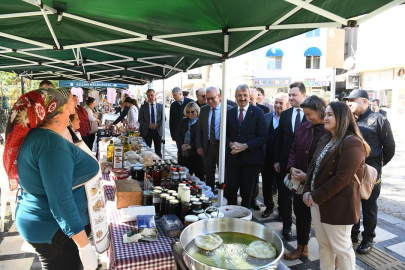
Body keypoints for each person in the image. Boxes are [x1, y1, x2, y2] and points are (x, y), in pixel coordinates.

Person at [4, 88, 98, 270]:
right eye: (67, 106)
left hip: (47, 225)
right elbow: (61, 200)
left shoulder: (42, 137)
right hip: (54, 230)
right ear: (56, 114)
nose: (72, 110)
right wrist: (84, 245)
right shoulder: (51, 145)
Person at [303, 101, 370, 269]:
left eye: (330, 114)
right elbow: (313, 166)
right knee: (324, 245)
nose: (325, 118)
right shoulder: (327, 138)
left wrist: (314, 196)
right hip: (318, 201)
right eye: (325, 114)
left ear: (341, 117)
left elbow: (342, 178)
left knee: (342, 249)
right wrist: (307, 190)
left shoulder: (352, 142)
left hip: (338, 205)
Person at [343, 89, 395, 254]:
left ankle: (368, 239)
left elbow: (389, 147)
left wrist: (376, 166)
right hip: (352, 170)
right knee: (352, 203)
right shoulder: (349, 120)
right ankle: (353, 234)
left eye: (353, 100)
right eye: (348, 100)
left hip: (370, 171)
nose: (349, 103)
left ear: (364, 101)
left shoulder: (379, 120)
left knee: (369, 206)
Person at [284, 96, 327, 260]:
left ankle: (332, 254)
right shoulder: (304, 126)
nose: (307, 117)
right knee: (301, 216)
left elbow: (330, 163)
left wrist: (307, 176)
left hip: (321, 185)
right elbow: (294, 149)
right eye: (305, 114)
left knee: (323, 222)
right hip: (300, 183)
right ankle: (302, 248)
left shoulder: (329, 130)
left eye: (309, 114)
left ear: (320, 110)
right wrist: (292, 167)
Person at [274, 82, 307, 240]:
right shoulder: (286, 114)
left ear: (303, 95)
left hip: (305, 164)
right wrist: (277, 161)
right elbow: (279, 139)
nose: (291, 97)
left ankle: (303, 233)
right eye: (290, 95)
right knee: (284, 196)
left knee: (301, 200)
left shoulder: (311, 113)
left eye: (294, 95)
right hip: (286, 163)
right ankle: (287, 226)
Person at [226, 84, 268, 208]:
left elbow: (264, 136)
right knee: (231, 191)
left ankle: (244, 219)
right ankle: (231, 217)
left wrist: (245, 146)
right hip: (233, 159)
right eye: (240, 95)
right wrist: (230, 144)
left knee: (247, 193)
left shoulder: (258, 112)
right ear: (235, 97)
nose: (242, 98)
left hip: (251, 160)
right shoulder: (229, 112)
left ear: (250, 97)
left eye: (245, 95)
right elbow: (224, 134)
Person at [196, 87, 232, 191]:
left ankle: (225, 194)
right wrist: (199, 146)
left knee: (224, 172)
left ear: (219, 96)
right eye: (207, 99)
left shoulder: (228, 109)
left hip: (223, 145)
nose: (210, 101)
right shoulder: (204, 109)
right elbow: (199, 130)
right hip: (208, 146)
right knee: (208, 172)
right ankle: (210, 193)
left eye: (212, 98)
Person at [261, 92, 289, 218]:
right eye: (276, 102)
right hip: (267, 157)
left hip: (282, 159)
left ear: (286, 104)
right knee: (266, 184)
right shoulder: (266, 117)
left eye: (280, 103)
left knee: (282, 187)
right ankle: (269, 207)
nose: (278, 105)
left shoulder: (288, 119)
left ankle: (282, 211)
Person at [175, 102, 205, 180]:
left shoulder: (201, 122)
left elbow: (201, 137)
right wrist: (181, 145)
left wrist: (191, 146)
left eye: (192, 112)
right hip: (183, 154)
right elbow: (178, 134)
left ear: (197, 111)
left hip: (196, 155)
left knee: (200, 177)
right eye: (188, 112)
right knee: (183, 177)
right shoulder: (183, 121)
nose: (190, 114)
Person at [138, 89, 164, 157]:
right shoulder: (143, 107)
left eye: (152, 95)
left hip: (157, 131)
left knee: (158, 151)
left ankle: (159, 166)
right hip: (147, 131)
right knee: (147, 151)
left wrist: (157, 124)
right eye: (148, 95)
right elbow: (140, 119)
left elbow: (163, 119)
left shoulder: (160, 106)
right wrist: (148, 125)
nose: (150, 97)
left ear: (155, 96)